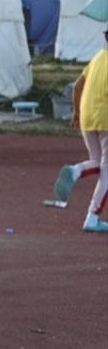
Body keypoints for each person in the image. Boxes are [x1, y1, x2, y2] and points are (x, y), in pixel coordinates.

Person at [52, 31, 108, 232]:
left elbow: (77, 86)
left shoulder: (98, 58)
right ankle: (92, 217)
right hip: (105, 119)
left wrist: (76, 113)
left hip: (87, 117)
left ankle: (75, 171)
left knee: (98, 161)